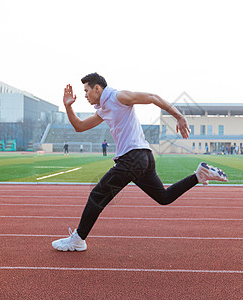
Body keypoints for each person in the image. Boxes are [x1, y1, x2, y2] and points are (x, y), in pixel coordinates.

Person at [52, 73, 228, 252]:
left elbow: (152, 97)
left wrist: (179, 116)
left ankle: (78, 239)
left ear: (97, 88)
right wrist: (67, 106)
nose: (85, 95)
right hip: (143, 158)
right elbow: (79, 126)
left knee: (97, 196)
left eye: (86, 91)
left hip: (132, 158)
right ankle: (199, 175)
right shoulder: (103, 108)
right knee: (163, 198)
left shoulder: (118, 96)